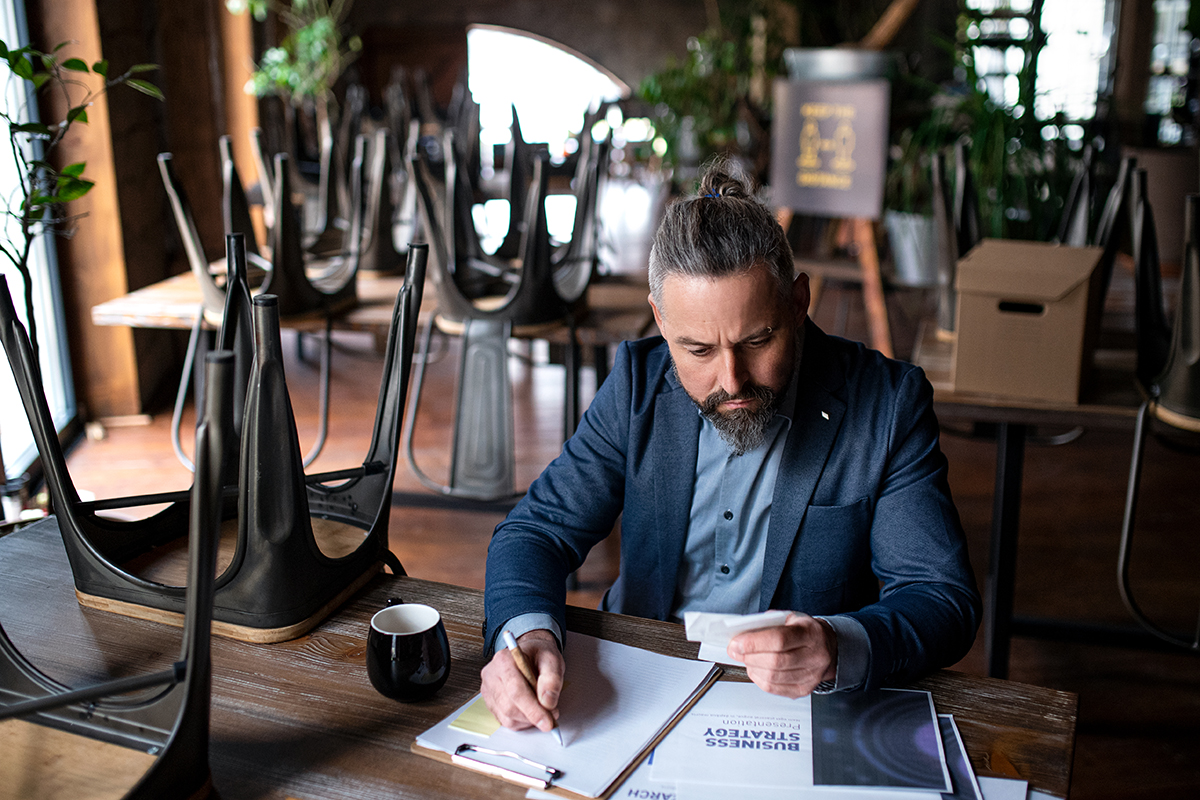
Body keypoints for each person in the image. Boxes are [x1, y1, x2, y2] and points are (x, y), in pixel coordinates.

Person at [480, 159, 981, 735]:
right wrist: (527, 636)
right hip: (635, 686)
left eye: (757, 339)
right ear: (662, 323)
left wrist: (838, 646)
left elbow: (941, 596)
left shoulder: (887, 405)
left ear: (798, 303)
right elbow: (537, 531)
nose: (733, 379)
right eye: (697, 350)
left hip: (800, 706)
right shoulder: (638, 385)